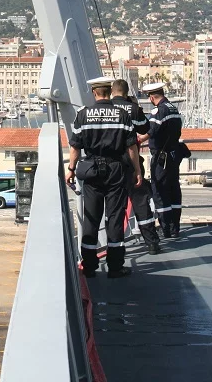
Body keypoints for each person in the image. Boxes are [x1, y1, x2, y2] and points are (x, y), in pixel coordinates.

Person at [66, 77, 143, 279]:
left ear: (94, 93)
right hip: (116, 170)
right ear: (109, 92)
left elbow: (75, 147)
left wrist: (71, 169)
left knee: (91, 217)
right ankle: (115, 266)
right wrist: (137, 171)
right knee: (115, 218)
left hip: (91, 170)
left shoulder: (83, 115)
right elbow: (131, 147)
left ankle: (89, 265)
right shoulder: (121, 114)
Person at [110, 79, 160, 254]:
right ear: (126, 93)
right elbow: (145, 128)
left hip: (111, 166)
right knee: (141, 203)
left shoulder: (106, 109)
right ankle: (152, 243)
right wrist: (135, 106)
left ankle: (115, 249)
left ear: (112, 92)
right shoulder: (133, 109)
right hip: (131, 163)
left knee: (115, 207)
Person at [139, 82, 183, 238]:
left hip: (161, 157)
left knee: (159, 191)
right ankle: (175, 227)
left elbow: (153, 130)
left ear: (151, 97)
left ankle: (166, 228)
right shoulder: (173, 108)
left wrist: (139, 139)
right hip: (173, 154)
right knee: (173, 189)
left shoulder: (158, 110)